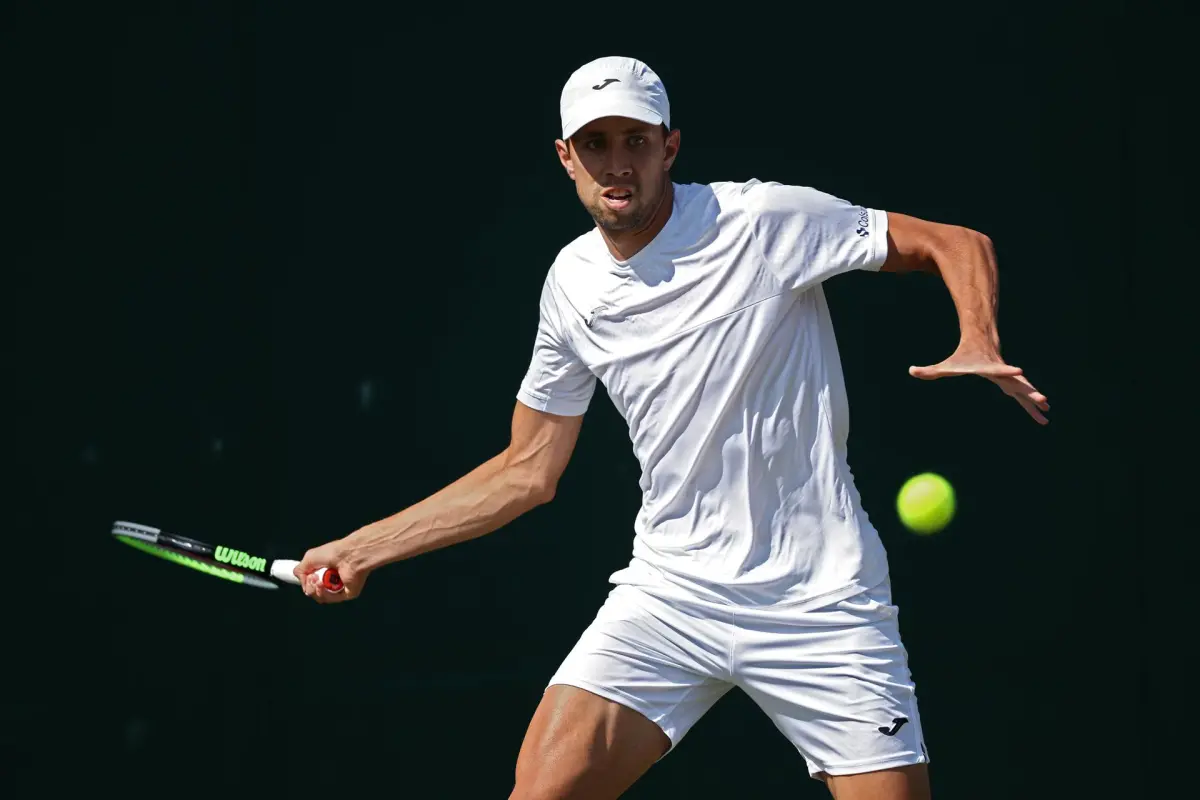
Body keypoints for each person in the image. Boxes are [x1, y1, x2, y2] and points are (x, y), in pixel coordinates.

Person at [293, 56, 1049, 800]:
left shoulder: (762, 220)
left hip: (819, 597)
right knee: (542, 790)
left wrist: (978, 339)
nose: (617, 164)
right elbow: (528, 469)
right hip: (672, 592)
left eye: (635, 141)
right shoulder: (572, 285)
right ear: (566, 158)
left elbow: (954, 242)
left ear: (670, 147)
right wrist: (364, 549)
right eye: (596, 144)